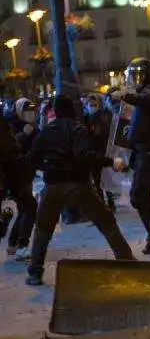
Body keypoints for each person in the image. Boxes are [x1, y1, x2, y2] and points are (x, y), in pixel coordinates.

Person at [25, 95, 134, 286]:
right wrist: (110, 162)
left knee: (43, 229)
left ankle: (35, 272)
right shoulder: (77, 128)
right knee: (106, 221)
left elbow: (31, 159)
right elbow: (85, 155)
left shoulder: (46, 131)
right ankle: (125, 258)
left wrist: (49, 168)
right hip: (78, 184)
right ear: (72, 110)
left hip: (52, 187)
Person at [111, 58, 150, 254]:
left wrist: (124, 96)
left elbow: (149, 100)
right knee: (139, 195)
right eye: (133, 76)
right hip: (141, 150)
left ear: (147, 76)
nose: (135, 80)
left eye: (139, 76)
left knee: (138, 194)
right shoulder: (142, 92)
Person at [4, 97, 39, 260]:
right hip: (14, 175)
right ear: (19, 111)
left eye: (32, 110)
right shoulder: (11, 124)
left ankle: (13, 244)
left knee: (25, 208)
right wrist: (24, 134)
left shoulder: (34, 127)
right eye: (27, 110)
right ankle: (22, 246)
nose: (30, 113)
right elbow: (9, 146)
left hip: (26, 173)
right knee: (30, 207)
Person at [84, 93, 116, 213]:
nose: (92, 106)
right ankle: (103, 204)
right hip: (93, 155)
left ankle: (110, 203)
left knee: (106, 180)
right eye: (90, 104)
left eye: (95, 104)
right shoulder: (86, 118)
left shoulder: (103, 118)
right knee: (97, 182)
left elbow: (105, 136)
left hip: (103, 154)